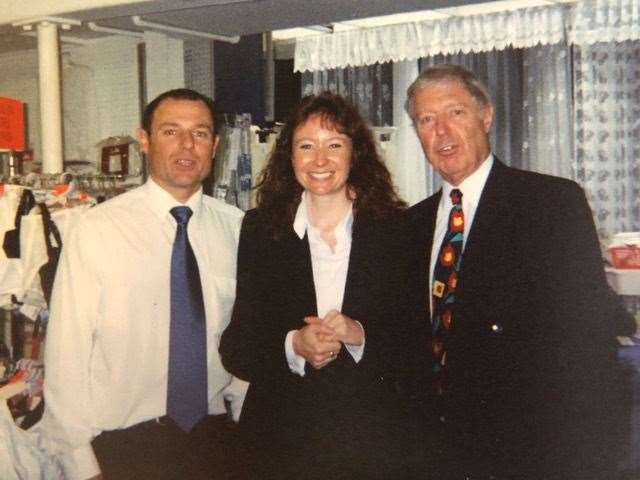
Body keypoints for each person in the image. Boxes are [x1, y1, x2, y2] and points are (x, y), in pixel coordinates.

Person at [404, 64, 619, 480]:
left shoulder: (550, 205)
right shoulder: (408, 227)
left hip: (527, 453)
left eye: (456, 113)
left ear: (486, 116)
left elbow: (588, 345)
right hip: (434, 455)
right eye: (427, 120)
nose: (442, 132)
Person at [41, 88, 247, 480]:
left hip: (215, 442)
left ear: (215, 145)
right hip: (124, 448)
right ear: (144, 140)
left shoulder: (236, 228)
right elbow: (67, 353)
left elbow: (243, 342)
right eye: (171, 131)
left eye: (200, 133)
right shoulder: (97, 229)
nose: (187, 145)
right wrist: (81, 465)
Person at [219, 92, 421, 479]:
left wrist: (360, 334)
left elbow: (417, 342)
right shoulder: (262, 230)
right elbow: (237, 348)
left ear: (355, 153)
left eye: (334, 145)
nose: (320, 160)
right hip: (282, 446)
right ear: (289, 156)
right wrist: (293, 344)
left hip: (374, 443)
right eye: (306, 146)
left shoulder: (397, 230)